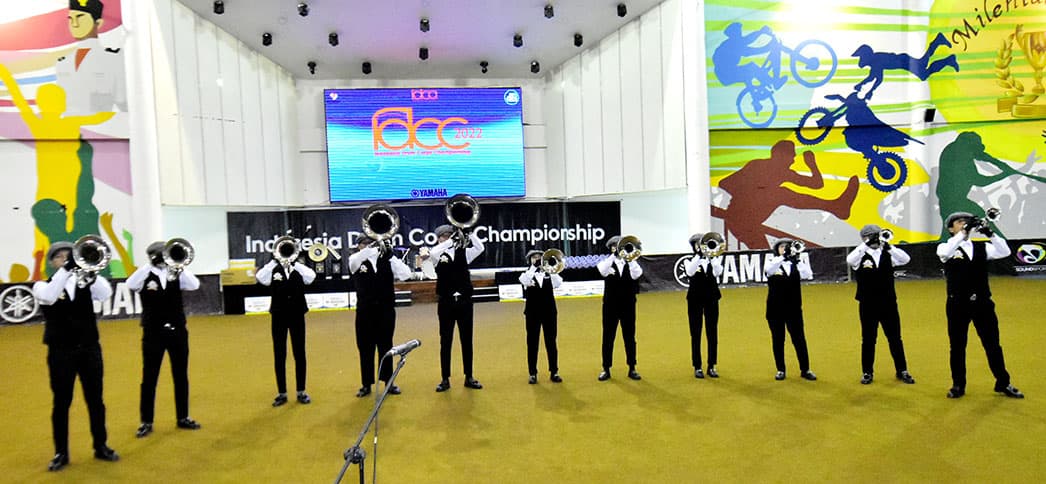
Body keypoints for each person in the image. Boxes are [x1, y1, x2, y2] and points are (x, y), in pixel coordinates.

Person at [33, 241, 119, 471]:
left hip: (89, 348)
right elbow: (50, 297)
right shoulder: (42, 286)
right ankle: (61, 452)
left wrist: (91, 273)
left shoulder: (87, 283)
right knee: (61, 402)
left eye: (68, 256)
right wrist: (67, 269)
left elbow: (105, 293)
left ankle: (101, 445)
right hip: (60, 352)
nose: (65, 259)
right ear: (52, 263)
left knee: (96, 400)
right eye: (60, 257)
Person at [937, 212, 1024, 399]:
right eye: (959, 222)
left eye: (966, 222)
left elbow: (1005, 252)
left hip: (983, 303)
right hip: (957, 304)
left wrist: (989, 233)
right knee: (958, 346)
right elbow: (944, 254)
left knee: (993, 344)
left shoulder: (982, 247)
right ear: (951, 228)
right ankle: (958, 385)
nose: (963, 225)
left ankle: (1003, 382)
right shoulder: (946, 247)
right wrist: (963, 233)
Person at [715, 140, 859, 250]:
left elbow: (816, 184)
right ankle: (835, 207)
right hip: (739, 217)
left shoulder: (783, 173)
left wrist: (812, 164)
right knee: (778, 193)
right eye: (791, 157)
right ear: (779, 155)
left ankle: (836, 207)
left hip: (751, 222)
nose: (793, 160)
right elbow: (724, 183)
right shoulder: (757, 166)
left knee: (778, 195)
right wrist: (750, 196)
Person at [126, 241, 202, 438]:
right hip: (153, 332)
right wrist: (149, 266)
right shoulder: (145, 274)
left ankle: (183, 416)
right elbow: (130, 284)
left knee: (180, 375)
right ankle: (146, 421)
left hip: (177, 331)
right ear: (153, 256)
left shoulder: (176, 272)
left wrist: (178, 266)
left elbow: (194, 284)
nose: (164, 258)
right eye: (161, 254)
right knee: (149, 378)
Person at [846, 226, 915, 385]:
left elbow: (906, 259)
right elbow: (850, 260)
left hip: (888, 302)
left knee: (895, 338)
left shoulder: (888, 254)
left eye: (876, 236)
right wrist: (866, 244)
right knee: (869, 339)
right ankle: (867, 372)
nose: (875, 239)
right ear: (863, 238)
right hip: (867, 304)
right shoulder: (860, 256)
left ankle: (902, 370)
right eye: (870, 237)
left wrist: (888, 245)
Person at [348, 236, 412, 398]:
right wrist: (374, 246)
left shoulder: (387, 259)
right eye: (363, 243)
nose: (367, 246)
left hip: (385, 311)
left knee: (386, 346)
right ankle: (366, 384)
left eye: (369, 243)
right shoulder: (355, 260)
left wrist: (391, 255)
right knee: (365, 348)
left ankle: (388, 382)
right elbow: (356, 259)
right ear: (359, 246)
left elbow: (406, 274)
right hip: (365, 312)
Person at [256, 251, 317, 406]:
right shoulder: (273, 269)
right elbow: (261, 278)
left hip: (297, 314)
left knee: (299, 353)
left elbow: (311, 277)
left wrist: (295, 263)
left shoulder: (299, 268)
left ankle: (301, 391)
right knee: (279, 353)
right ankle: (282, 392)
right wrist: (275, 261)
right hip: (279, 315)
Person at [431, 225, 485, 392]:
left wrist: (468, 233)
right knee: (445, 341)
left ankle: (469, 376)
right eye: (443, 236)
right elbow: (433, 253)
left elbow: (480, 247)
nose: (446, 238)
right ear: (439, 238)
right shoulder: (437, 254)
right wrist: (451, 241)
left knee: (466, 340)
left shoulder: (465, 253)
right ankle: (445, 378)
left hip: (464, 302)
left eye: (449, 235)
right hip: (446, 302)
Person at [56, 0, 128, 115]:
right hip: (71, 128)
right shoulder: (63, 62)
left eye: (80, 17)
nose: (75, 24)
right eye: (71, 19)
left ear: (98, 23)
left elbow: (124, 102)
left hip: (101, 126)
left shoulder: (113, 59)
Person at [763, 238, 817, 381]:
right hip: (775, 309)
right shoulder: (771, 262)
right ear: (777, 249)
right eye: (781, 247)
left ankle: (805, 369)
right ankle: (780, 369)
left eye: (787, 247)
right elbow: (768, 271)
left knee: (799, 339)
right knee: (778, 339)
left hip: (793, 309)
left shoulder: (796, 264)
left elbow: (808, 274)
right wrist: (782, 257)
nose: (785, 249)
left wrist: (797, 260)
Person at [597, 236, 643, 381]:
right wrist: (614, 256)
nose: (619, 248)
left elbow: (637, 274)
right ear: (611, 248)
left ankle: (632, 367)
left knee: (629, 337)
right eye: (616, 246)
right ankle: (606, 368)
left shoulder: (631, 262)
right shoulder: (607, 262)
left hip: (628, 305)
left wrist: (630, 260)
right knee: (608, 337)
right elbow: (602, 271)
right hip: (610, 305)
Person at [518, 250, 563, 384]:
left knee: (551, 342)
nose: (537, 259)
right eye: (534, 258)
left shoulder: (550, 273)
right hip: (532, 313)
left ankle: (554, 371)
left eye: (539, 257)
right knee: (532, 343)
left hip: (549, 312)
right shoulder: (527, 274)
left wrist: (550, 269)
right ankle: (532, 373)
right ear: (529, 260)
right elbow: (524, 281)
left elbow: (558, 283)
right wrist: (533, 267)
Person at [685, 233, 723, 379]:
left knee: (712, 332)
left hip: (712, 298)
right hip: (695, 299)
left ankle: (712, 365)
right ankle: (697, 366)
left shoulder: (714, 259)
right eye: (698, 244)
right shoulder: (691, 260)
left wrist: (711, 257)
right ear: (694, 246)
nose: (701, 247)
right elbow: (690, 272)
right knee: (696, 333)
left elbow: (718, 272)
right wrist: (699, 256)